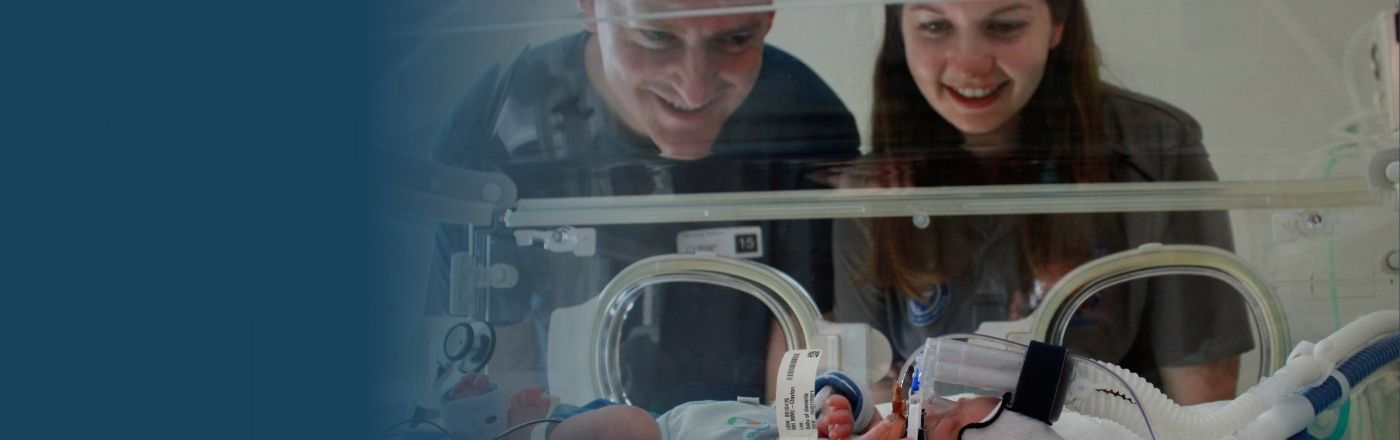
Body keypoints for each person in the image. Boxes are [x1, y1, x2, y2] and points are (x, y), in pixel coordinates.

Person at [428, 0, 860, 411]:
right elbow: (498, 371)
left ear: (768, 17)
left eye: (734, 39)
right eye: (656, 35)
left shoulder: (805, 121)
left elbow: (802, 344)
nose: (693, 89)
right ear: (590, 7)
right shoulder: (497, 131)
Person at [832, 0, 1253, 405]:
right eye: (935, 27)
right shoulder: (874, 186)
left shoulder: (1153, 149)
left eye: (1004, 26)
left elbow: (1203, 398)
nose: (969, 64)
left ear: (1057, 25)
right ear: (900, 30)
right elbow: (880, 393)